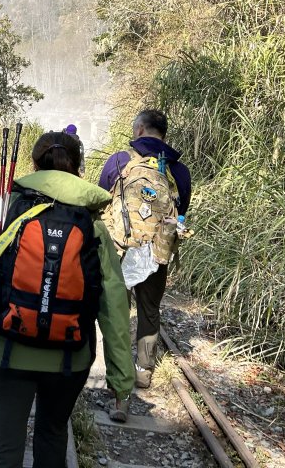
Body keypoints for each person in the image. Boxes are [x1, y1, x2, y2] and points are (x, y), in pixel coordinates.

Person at [0, 130, 134, 468]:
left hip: (4, 351)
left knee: (2, 450)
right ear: (79, 169)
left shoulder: (4, 206)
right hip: (68, 359)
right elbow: (113, 303)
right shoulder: (93, 224)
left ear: (34, 163)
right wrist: (120, 376)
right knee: (53, 434)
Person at [97, 109, 191, 389]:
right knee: (149, 309)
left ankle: (120, 368)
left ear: (138, 130)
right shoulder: (179, 171)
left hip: (122, 247)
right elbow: (180, 211)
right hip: (157, 249)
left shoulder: (120, 160)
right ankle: (143, 370)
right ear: (163, 134)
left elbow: (102, 199)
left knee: (118, 309)